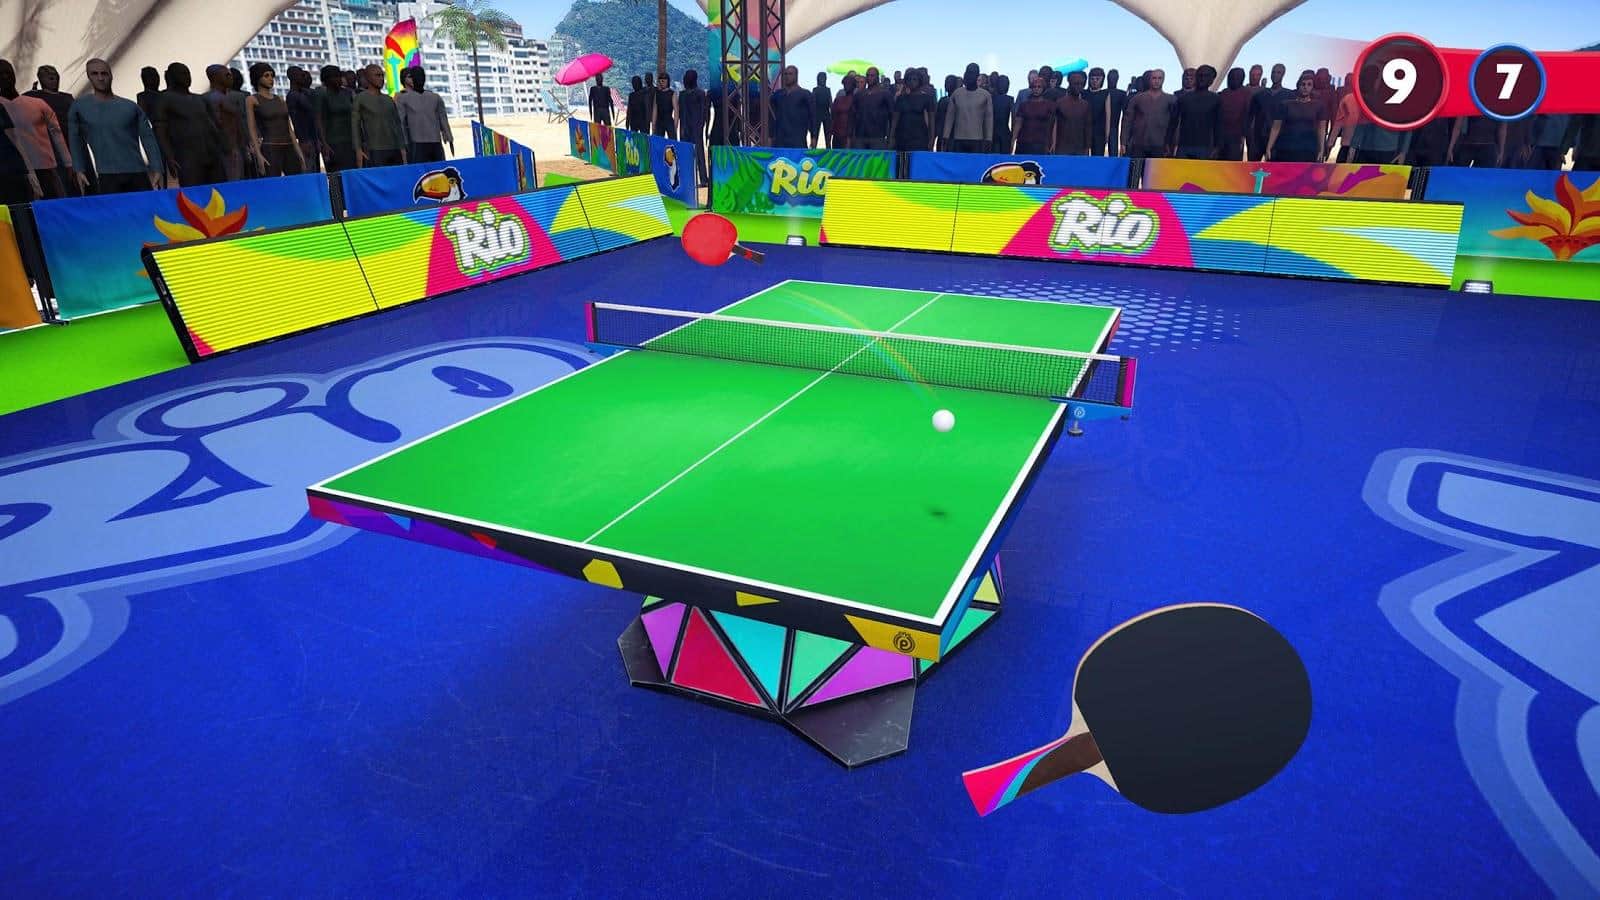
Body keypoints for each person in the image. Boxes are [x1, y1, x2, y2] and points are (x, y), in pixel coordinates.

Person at [67, 58, 162, 194]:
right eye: (95, 74)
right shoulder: (80, 107)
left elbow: (148, 137)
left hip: (137, 173)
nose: (100, 78)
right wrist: (79, 169)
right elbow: (75, 139)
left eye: (104, 73)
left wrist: (157, 167)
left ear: (111, 75)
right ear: (89, 77)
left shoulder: (130, 107)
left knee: (144, 207)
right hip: (107, 175)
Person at [0, 59, 70, 198]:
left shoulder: (37, 103)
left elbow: (56, 133)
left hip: (46, 169)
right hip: (15, 172)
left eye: (7, 73)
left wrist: (69, 164)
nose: (4, 77)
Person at [153, 62, 224, 187]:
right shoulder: (165, 99)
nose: (187, 77)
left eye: (188, 73)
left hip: (211, 153)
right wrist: (169, 156)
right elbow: (160, 130)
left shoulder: (200, 99)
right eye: (182, 74)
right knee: (194, 193)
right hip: (187, 156)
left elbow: (213, 125)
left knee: (218, 191)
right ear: (173, 77)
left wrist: (219, 147)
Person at [24, 64, 80, 195]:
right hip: (50, 145)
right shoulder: (34, 96)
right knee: (59, 179)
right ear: (41, 79)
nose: (54, 80)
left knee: (76, 178)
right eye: (49, 77)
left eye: (55, 77)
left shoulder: (67, 97)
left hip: (70, 141)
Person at [243, 63, 303, 177]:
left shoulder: (280, 99)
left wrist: (299, 151)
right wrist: (258, 155)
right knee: (273, 182)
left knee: (295, 181)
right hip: (270, 148)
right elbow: (252, 129)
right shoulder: (252, 100)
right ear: (257, 78)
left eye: (272, 75)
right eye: (266, 75)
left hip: (289, 147)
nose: (271, 79)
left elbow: (289, 128)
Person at [352, 64, 405, 167]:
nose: (381, 79)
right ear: (368, 77)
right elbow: (355, 127)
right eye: (377, 75)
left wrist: (402, 148)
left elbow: (398, 125)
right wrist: (358, 150)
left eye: (382, 75)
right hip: (375, 150)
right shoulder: (360, 99)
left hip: (394, 148)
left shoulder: (388, 99)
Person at [396, 66, 452, 163]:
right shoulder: (403, 98)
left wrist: (448, 136)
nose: (420, 78)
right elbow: (400, 123)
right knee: (420, 170)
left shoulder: (435, 97)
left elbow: (443, 118)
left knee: (439, 168)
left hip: (435, 141)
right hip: (417, 143)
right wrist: (403, 143)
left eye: (422, 76)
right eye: (416, 76)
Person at [1266, 72, 1326, 162]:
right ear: (1298, 86)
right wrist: (1269, 147)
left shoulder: (1318, 106)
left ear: (1312, 87)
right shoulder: (1285, 104)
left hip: (1309, 149)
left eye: (1309, 84)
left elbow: (1321, 129)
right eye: (1303, 84)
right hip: (1287, 148)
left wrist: (1321, 149)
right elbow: (1276, 127)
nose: (1305, 87)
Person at [203, 64, 246, 179]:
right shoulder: (214, 98)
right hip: (226, 150)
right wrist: (228, 147)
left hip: (234, 148)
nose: (231, 77)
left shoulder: (225, 97)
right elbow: (216, 125)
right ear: (216, 77)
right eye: (227, 75)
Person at [1169, 65, 1221, 158]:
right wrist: (1168, 143)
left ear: (1212, 80)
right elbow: (1173, 122)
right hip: (1184, 145)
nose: (1202, 78)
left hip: (1205, 147)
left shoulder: (1216, 99)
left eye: (1206, 76)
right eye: (1200, 75)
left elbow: (1218, 125)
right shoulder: (1184, 98)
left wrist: (1217, 146)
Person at [1121, 68, 1172, 157]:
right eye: (1154, 78)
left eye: (1159, 78)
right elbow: (1127, 121)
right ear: (1149, 80)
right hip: (1138, 144)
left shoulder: (1170, 100)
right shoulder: (1137, 98)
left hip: (1160, 145)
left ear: (1163, 80)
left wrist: (1172, 144)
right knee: (1136, 166)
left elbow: (1174, 124)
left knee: (1156, 167)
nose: (1156, 81)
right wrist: (1123, 142)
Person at [315, 65, 356, 172]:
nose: (338, 79)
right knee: (336, 175)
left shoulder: (347, 93)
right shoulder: (321, 94)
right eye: (334, 76)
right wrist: (324, 143)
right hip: (333, 142)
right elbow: (319, 120)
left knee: (352, 173)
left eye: (339, 76)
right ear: (326, 79)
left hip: (350, 141)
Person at [943, 64, 992, 154]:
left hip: (977, 140)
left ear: (977, 76)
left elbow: (988, 119)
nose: (969, 76)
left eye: (972, 73)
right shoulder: (956, 94)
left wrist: (989, 139)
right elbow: (949, 117)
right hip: (958, 139)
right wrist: (945, 136)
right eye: (967, 73)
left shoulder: (985, 95)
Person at [1247, 63, 1290, 161]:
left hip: (1278, 140)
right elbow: (1250, 117)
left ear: (1283, 74)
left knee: (1273, 167)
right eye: (1273, 72)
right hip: (1258, 138)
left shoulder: (1289, 95)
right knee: (1252, 167)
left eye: (1278, 72)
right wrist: (1250, 137)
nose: (1275, 75)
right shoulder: (1260, 95)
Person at [0, 99, 38, 203]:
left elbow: (15, 139)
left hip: (12, 169)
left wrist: (30, 171)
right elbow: (15, 139)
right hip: (12, 168)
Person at [890, 69, 935, 152]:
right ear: (906, 81)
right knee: (903, 159)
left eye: (915, 79)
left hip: (920, 137)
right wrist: (891, 136)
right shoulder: (901, 98)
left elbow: (931, 120)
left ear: (919, 81)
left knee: (918, 159)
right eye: (909, 79)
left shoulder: (927, 98)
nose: (912, 82)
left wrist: (931, 138)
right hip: (902, 137)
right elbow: (895, 119)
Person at [285, 66, 320, 173]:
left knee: (315, 170)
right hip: (305, 140)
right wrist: (303, 140)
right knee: (309, 170)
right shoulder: (292, 95)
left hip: (312, 138)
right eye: (301, 75)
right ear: (293, 77)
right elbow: (295, 119)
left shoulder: (304, 93)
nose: (303, 77)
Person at [677, 69, 709, 185]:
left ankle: (703, 179)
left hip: (694, 126)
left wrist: (702, 126)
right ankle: (688, 179)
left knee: (699, 153)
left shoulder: (700, 93)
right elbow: (681, 112)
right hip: (687, 126)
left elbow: (703, 111)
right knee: (688, 154)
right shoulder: (683, 94)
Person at [768, 66, 810, 148]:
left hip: (798, 140)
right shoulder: (777, 95)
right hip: (780, 140)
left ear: (796, 76)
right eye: (786, 74)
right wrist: (770, 137)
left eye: (790, 74)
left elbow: (812, 116)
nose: (787, 76)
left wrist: (813, 137)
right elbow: (771, 119)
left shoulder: (805, 94)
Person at [1215, 67, 1252, 161]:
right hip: (1220, 134)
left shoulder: (1246, 94)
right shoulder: (1223, 93)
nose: (1233, 79)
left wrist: (1243, 135)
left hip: (1236, 136)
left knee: (1233, 161)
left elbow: (1247, 115)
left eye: (1236, 77)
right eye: (1231, 77)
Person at [851, 68, 893, 149]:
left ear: (877, 77)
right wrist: (852, 135)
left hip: (878, 137)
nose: (869, 78)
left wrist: (890, 136)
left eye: (872, 75)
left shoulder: (885, 93)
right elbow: (853, 115)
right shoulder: (859, 94)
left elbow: (892, 116)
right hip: (860, 136)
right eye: (868, 75)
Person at [1012, 74, 1055, 154]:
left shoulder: (1049, 105)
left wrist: (1052, 143)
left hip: (1041, 143)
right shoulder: (1024, 105)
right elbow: (1018, 124)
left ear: (1043, 88)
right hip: (1023, 142)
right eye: (1034, 87)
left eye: (1039, 87)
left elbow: (1053, 126)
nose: (1036, 89)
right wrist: (1012, 141)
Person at [1053, 69, 1092, 155]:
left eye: (1081, 84)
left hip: (1079, 148)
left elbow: (1087, 128)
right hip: (1062, 148)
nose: (1079, 86)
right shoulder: (1059, 103)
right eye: (1076, 84)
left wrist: (1087, 147)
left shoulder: (1085, 105)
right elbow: (1053, 126)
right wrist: (1053, 145)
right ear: (1070, 83)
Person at [991, 74, 1013, 153]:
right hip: (1000, 133)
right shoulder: (1009, 99)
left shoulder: (992, 98)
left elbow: (1014, 118)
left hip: (999, 132)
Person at [809, 72, 832, 149]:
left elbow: (830, 103)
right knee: (815, 134)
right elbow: (813, 103)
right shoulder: (815, 90)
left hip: (826, 114)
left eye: (823, 78)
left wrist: (832, 116)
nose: (822, 80)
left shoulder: (827, 90)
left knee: (828, 136)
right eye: (821, 78)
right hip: (817, 114)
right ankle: (813, 148)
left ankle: (828, 149)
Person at [652, 72, 675, 139]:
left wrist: (675, 126)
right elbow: (655, 109)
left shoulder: (672, 93)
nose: (662, 82)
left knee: (673, 141)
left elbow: (676, 111)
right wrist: (653, 124)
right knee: (658, 141)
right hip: (659, 122)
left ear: (668, 81)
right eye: (661, 81)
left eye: (664, 80)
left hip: (669, 121)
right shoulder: (657, 93)